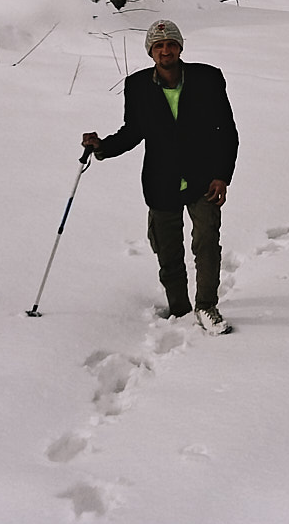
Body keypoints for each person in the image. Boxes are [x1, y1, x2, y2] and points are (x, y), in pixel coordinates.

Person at [82, 20, 238, 334]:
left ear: (180, 47)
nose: (165, 50)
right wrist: (103, 147)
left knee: (206, 242)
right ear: (151, 52)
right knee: (167, 250)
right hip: (161, 180)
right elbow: (133, 131)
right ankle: (179, 307)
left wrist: (222, 176)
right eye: (158, 46)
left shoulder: (208, 78)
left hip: (203, 178)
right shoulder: (137, 85)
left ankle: (206, 306)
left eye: (170, 44)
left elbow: (227, 131)